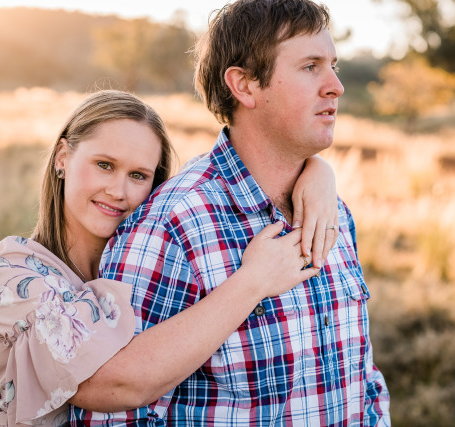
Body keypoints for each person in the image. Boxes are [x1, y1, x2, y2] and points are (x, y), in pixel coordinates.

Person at [70, 0, 390, 425]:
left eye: (333, 66)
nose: (336, 86)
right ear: (244, 85)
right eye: (311, 67)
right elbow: (111, 409)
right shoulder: (173, 226)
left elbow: (359, 374)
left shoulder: (333, 212)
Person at [0, 89, 340, 426]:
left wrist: (318, 170)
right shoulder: (13, 273)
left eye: (138, 175)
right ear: (62, 158)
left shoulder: (150, 263)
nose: (118, 190)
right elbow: (113, 384)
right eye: (104, 164)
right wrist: (254, 281)